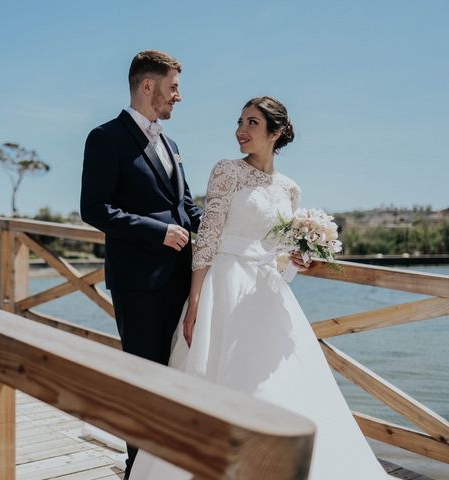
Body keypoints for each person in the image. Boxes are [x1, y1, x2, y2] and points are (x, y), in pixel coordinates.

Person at [129, 97, 391, 479]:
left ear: (277, 132)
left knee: (279, 384)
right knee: (219, 380)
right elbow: (209, 237)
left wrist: (300, 257)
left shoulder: (290, 189)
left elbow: (281, 250)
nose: (241, 130)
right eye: (239, 121)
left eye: (252, 123)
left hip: (269, 293)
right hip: (224, 286)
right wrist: (196, 300)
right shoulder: (226, 171)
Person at [80, 50, 203, 476]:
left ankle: (168, 468)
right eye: (173, 87)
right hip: (139, 284)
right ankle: (139, 472)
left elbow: (187, 209)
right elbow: (94, 209)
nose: (179, 97)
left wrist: (237, 234)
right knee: (142, 382)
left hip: (182, 281)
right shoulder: (105, 137)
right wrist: (157, 232)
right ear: (147, 86)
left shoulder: (172, 144)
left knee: (176, 380)